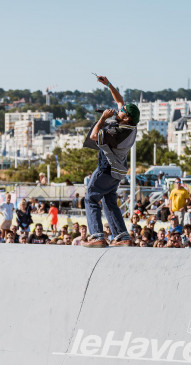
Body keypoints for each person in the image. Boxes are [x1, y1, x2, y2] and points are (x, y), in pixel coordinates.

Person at [81, 74, 139, 247]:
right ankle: (122, 236)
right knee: (109, 201)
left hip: (106, 168)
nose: (119, 110)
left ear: (126, 117)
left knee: (91, 198)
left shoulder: (117, 133)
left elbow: (93, 136)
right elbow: (120, 100)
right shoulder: (131, 124)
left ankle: (97, 235)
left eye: (122, 111)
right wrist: (109, 85)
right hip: (118, 170)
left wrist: (103, 119)